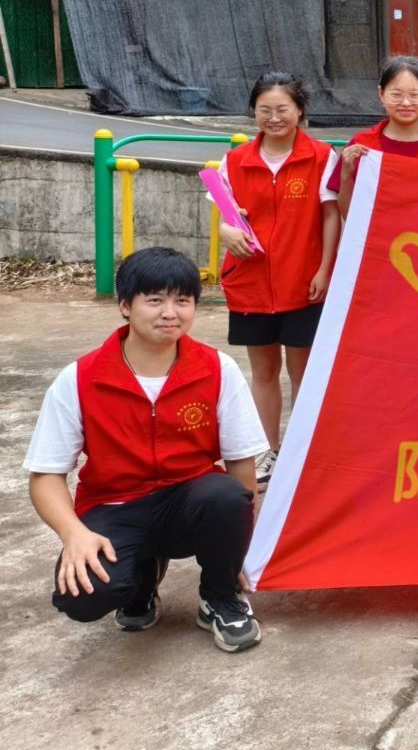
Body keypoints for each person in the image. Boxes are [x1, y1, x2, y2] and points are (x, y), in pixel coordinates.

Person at [24, 248, 270, 652]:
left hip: (191, 502)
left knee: (226, 495)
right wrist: (74, 534)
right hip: (115, 505)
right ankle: (140, 579)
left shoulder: (217, 369)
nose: (170, 313)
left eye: (182, 300)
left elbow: (242, 465)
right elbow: (46, 476)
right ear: (125, 305)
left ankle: (220, 597)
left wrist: (237, 554)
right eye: (155, 300)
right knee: (82, 598)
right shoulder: (80, 378)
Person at [217, 73, 340, 489]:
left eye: (282, 109)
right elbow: (226, 215)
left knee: (302, 371)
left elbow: (331, 215)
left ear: (299, 110)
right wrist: (226, 231)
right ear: (253, 112)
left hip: (303, 282)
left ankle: (303, 452)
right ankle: (267, 450)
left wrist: (324, 269)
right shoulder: (234, 161)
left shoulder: (321, 157)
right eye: (264, 110)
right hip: (250, 284)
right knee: (264, 370)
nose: (274, 118)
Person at [332, 55, 418, 216]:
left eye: (414, 95)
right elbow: (348, 214)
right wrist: (345, 176)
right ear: (381, 93)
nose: (406, 103)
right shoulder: (360, 147)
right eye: (396, 94)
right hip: (377, 233)